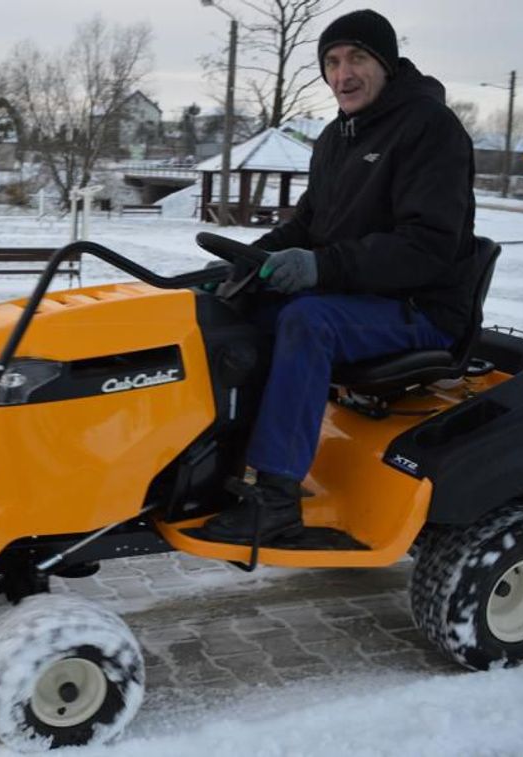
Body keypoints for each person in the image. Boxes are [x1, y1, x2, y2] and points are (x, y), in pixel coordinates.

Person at [201, 9, 477, 543]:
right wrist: (243, 262)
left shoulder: (429, 128)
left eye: (357, 58)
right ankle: (212, 466)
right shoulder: (335, 138)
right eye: (331, 61)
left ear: (387, 64)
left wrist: (323, 266)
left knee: (308, 320)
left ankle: (277, 500)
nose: (342, 74)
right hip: (359, 298)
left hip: (424, 309)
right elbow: (306, 225)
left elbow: (428, 247)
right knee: (237, 310)